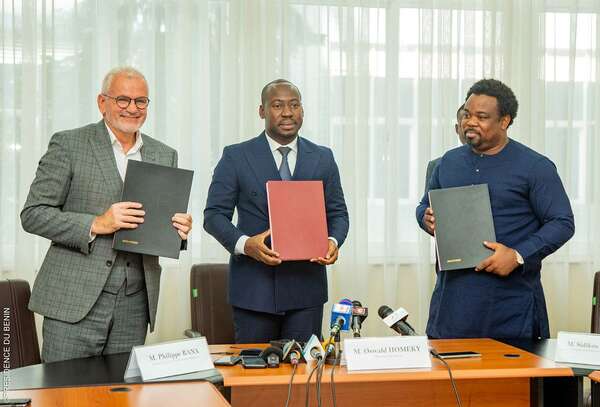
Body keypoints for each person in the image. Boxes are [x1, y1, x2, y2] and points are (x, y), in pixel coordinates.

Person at [21, 66, 192, 362]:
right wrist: (96, 223)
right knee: (65, 396)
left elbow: (161, 226)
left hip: (135, 303)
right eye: (122, 99)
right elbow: (33, 214)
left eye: (141, 101)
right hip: (74, 300)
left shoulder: (165, 154)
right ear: (103, 103)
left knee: (122, 396)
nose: (132, 108)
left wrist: (179, 231)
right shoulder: (69, 144)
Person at [416, 79, 574, 339]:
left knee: (510, 379)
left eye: (481, 116)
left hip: (511, 305)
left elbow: (562, 222)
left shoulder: (535, 167)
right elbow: (424, 205)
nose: (470, 122)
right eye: (467, 114)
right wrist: (425, 218)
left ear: (504, 121)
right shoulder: (447, 162)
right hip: (453, 304)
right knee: (450, 377)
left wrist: (518, 255)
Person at [203, 79, 349, 343]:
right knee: (255, 377)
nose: (287, 112)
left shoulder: (323, 157)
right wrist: (246, 244)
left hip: (307, 291)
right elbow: (213, 216)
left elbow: (338, 214)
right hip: (254, 291)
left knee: (304, 377)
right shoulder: (236, 156)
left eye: (294, 105)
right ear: (262, 111)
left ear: (302, 111)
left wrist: (333, 241)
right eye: (277, 105)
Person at [424, 104, 467, 194]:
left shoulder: (497, 163)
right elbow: (426, 203)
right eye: (465, 124)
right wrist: (426, 208)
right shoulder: (437, 165)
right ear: (457, 129)